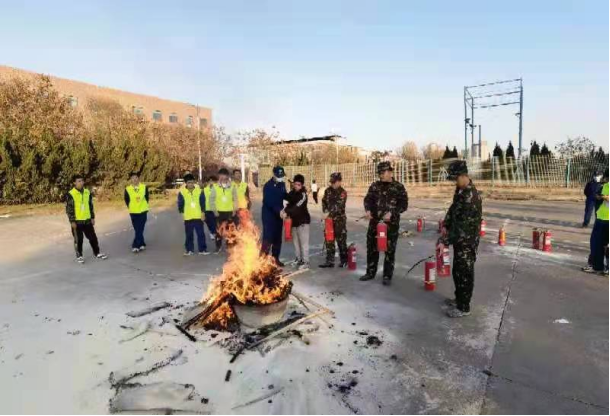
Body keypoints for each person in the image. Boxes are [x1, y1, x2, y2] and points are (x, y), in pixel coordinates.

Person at [437, 161, 483, 318]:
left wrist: (445, 240)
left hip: (467, 242)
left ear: (464, 176)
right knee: (457, 271)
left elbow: (463, 228)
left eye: (455, 178)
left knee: (464, 273)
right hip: (459, 239)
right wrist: (446, 223)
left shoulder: (471, 197)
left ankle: (464, 307)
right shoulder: (461, 191)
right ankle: (459, 299)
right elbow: (453, 208)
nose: (454, 182)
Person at [361, 162, 409, 285]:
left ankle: (387, 275)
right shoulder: (375, 186)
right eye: (380, 173)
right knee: (372, 248)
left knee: (389, 251)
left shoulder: (398, 187)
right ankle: (370, 272)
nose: (381, 175)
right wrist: (368, 210)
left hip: (391, 225)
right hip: (375, 223)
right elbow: (368, 199)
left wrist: (392, 212)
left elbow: (404, 204)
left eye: (383, 173)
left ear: (390, 172)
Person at [66, 175, 108, 264]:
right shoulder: (71, 194)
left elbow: (90, 206)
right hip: (77, 222)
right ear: (74, 183)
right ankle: (79, 255)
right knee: (79, 239)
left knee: (93, 237)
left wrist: (92, 217)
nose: (81, 183)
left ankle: (97, 252)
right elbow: (69, 209)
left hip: (87, 220)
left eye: (82, 181)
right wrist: (72, 221)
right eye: (79, 181)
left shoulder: (87, 192)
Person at [320, 173, 349, 269]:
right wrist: (325, 211)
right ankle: (330, 261)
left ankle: (344, 261)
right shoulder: (328, 191)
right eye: (331, 182)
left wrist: (328, 213)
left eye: (334, 182)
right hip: (329, 220)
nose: (332, 184)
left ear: (339, 182)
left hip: (339, 220)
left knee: (341, 241)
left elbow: (339, 206)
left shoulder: (343, 192)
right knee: (329, 240)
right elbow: (324, 202)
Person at [583, 168, 609, 276]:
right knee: (597, 244)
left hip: (605, 220)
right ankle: (598, 266)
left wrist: (605, 197)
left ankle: (601, 267)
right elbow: (596, 195)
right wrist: (600, 197)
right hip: (601, 218)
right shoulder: (604, 186)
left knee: (601, 244)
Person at [283, 174, 311, 270]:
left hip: (303, 222)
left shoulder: (303, 195)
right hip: (294, 222)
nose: (296, 186)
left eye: (298, 185)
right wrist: (284, 210)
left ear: (302, 185)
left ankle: (306, 262)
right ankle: (298, 259)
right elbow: (287, 203)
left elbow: (297, 207)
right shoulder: (292, 193)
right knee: (296, 243)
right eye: (295, 184)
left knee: (304, 244)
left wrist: (286, 212)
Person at [262, 166, 288, 267]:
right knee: (268, 238)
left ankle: (275, 258)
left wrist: (294, 194)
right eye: (278, 176)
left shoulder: (282, 184)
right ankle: (262, 260)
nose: (280, 178)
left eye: (282, 176)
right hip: (269, 216)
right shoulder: (268, 186)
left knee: (277, 238)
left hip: (279, 215)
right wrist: (279, 211)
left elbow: (285, 195)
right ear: (274, 175)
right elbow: (269, 202)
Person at [177, 174, 209, 256]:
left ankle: (202, 249)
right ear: (186, 183)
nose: (191, 184)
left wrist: (203, 212)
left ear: (194, 182)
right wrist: (182, 212)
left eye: (192, 182)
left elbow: (203, 202)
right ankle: (189, 250)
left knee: (201, 234)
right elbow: (180, 204)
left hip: (198, 216)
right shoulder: (182, 192)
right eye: (189, 183)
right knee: (189, 235)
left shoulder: (199, 191)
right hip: (188, 217)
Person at [210, 168, 238, 252]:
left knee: (231, 230)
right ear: (219, 176)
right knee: (219, 230)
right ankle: (218, 246)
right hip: (219, 213)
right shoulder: (215, 187)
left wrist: (234, 210)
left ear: (227, 176)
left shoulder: (232, 187)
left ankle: (230, 245)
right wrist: (215, 211)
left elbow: (235, 199)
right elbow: (211, 200)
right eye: (221, 176)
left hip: (230, 212)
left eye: (224, 176)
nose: (222, 178)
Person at [124, 172, 150, 253]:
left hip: (143, 211)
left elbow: (147, 198)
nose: (134, 179)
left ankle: (135, 245)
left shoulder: (144, 187)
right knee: (137, 229)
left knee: (140, 228)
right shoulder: (127, 189)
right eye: (133, 178)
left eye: (136, 177)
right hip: (133, 212)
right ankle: (142, 243)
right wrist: (131, 206)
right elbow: (126, 200)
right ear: (131, 180)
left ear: (138, 178)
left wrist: (144, 206)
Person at [203, 175, 218, 243]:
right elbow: (202, 199)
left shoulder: (218, 189)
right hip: (207, 209)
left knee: (214, 223)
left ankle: (214, 233)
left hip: (215, 209)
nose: (211, 182)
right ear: (208, 182)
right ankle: (212, 231)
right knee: (208, 222)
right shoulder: (205, 189)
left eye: (213, 181)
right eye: (210, 181)